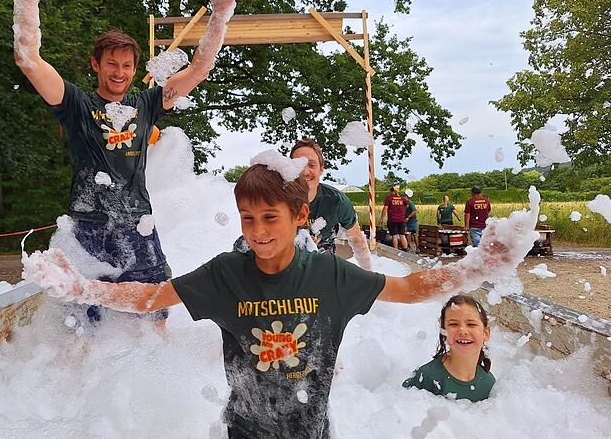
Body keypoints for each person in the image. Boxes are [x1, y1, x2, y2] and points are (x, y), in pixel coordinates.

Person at [33, 163, 520, 437]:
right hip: (246, 430)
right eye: (247, 219)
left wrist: (477, 266)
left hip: (313, 429)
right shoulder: (226, 274)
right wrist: (84, 287)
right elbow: (152, 297)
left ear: (299, 216)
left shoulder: (329, 275)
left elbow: (409, 288)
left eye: (270, 218)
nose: (258, 231)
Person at [13, 0, 240, 324]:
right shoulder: (77, 104)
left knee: (154, 312)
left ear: (135, 69)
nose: (119, 72)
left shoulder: (146, 105)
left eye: (127, 66)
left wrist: (221, 12)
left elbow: (198, 69)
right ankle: (80, 376)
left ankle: (152, 372)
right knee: (79, 324)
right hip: (86, 228)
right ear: (96, 64)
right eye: (111, 64)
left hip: (138, 225)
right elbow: (28, 60)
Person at [289, 138, 371, 269]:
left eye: (311, 165)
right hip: (287, 267)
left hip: (324, 266)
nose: (305, 171)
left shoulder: (336, 201)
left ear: (321, 169)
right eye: (298, 165)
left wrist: (368, 273)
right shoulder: (278, 199)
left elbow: (357, 239)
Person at [403, 294, 495, 402]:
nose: (462, 330)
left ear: (486, 333)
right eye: (454, 324)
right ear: (444, 331)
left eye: (471, 324)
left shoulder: (488, 382)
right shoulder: (427, 377)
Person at [379, 186, 409, 251]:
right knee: (402, 235)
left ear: (391, 191)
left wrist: (381, 219)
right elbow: (407, 206)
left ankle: (395, 250)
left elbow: (385, 208)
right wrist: (402, 212)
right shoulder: (402, 198)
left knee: (394, 236)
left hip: (392, 220)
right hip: (401, 219)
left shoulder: (389, 198)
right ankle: (405, 249)